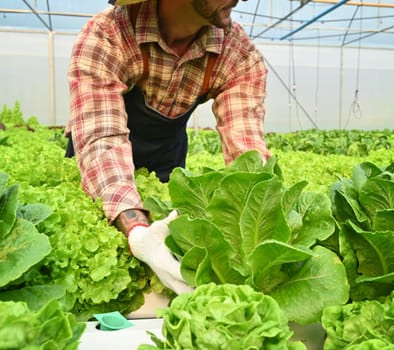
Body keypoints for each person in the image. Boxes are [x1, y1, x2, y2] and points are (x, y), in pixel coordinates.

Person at [65, 0, 271, 293]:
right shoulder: (109, 34)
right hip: (101, 164)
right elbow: (102, 139)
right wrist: (137, 230)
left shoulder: (238, 56)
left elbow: (247, 154)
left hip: (165, 157)